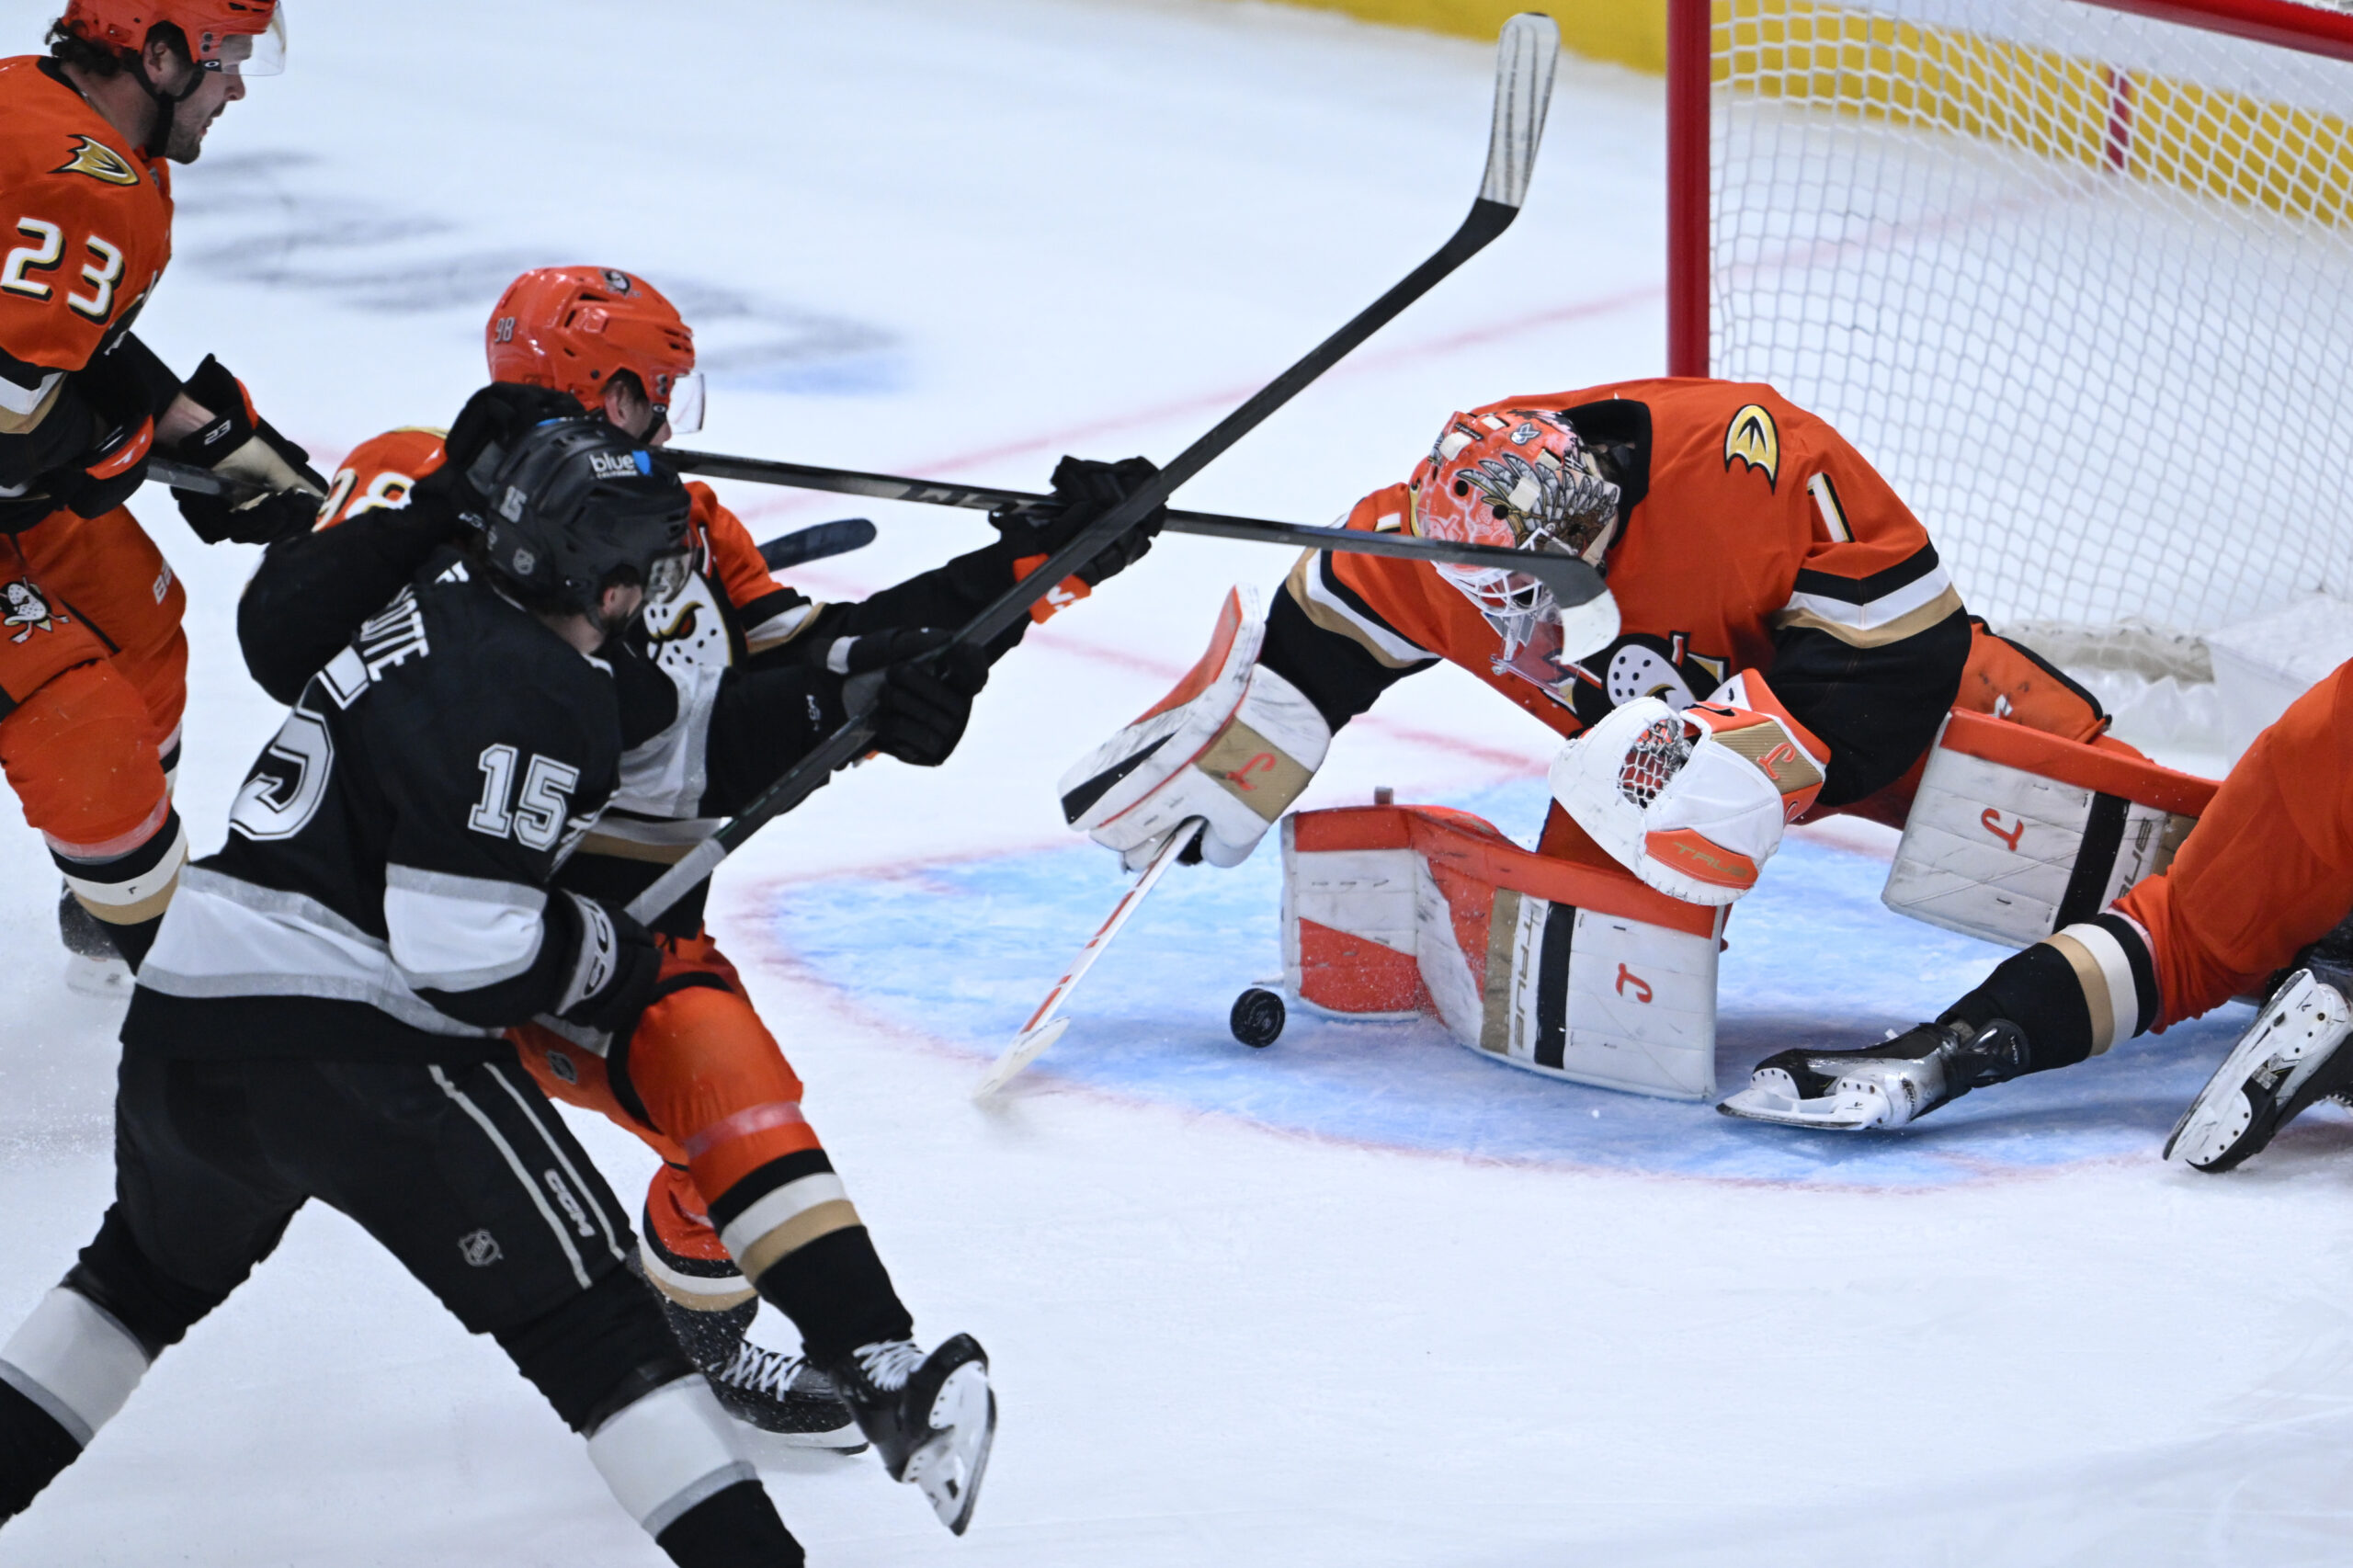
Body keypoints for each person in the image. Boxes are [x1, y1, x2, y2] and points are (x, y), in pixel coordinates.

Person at [240, 266, 1161, 1525]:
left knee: (727, 1085)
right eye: (647, 392)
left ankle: (837, 1351)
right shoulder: (417, 477)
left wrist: (1032, 566)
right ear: (592, 388)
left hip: (618, 928)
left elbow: (797, 675)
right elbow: (287, 644)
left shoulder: (686, 521)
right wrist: (452, 518)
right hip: (410, 916)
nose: (666, 421)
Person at [0, 409, 835, 1564]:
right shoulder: (542, 686)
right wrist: (612, 953)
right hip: (357, 1044)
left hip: (189, 1014)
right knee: (598, 1327)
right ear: (596, 577)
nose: (656, 604)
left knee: (126, 1286)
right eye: (645, 578)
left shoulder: (417, 608)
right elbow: (463, 951)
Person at [1060, 381, 2120, 1091]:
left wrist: (1764, 755)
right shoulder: (1423, 550)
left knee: (1727, 785)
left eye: (1535, 584)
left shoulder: (1746, 461)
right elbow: (1322, 637)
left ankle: (2139, 848)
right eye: (1491, 594)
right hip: (1646, 751)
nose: (1511, 615)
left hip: (1864, 686)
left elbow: (1898, 636)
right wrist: (1252, 739)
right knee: (1600, 941)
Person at [1720, 658, 2353, 1164]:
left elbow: (2168, 946)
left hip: (2330, 733)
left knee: (2178, 941)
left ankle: (1946, 1052)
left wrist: (1952, 1046)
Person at [2, 1, 324, 987]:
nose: (234, 88)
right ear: (159, 52)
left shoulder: (61, 116)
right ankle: (180, 990)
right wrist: (127, 442)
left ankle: (112, 913)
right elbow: (12, 435)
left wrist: (204, 432)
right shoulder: (78, 183)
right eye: (226, 61)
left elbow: (62, 346)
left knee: (142, 627)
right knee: (76, 719)